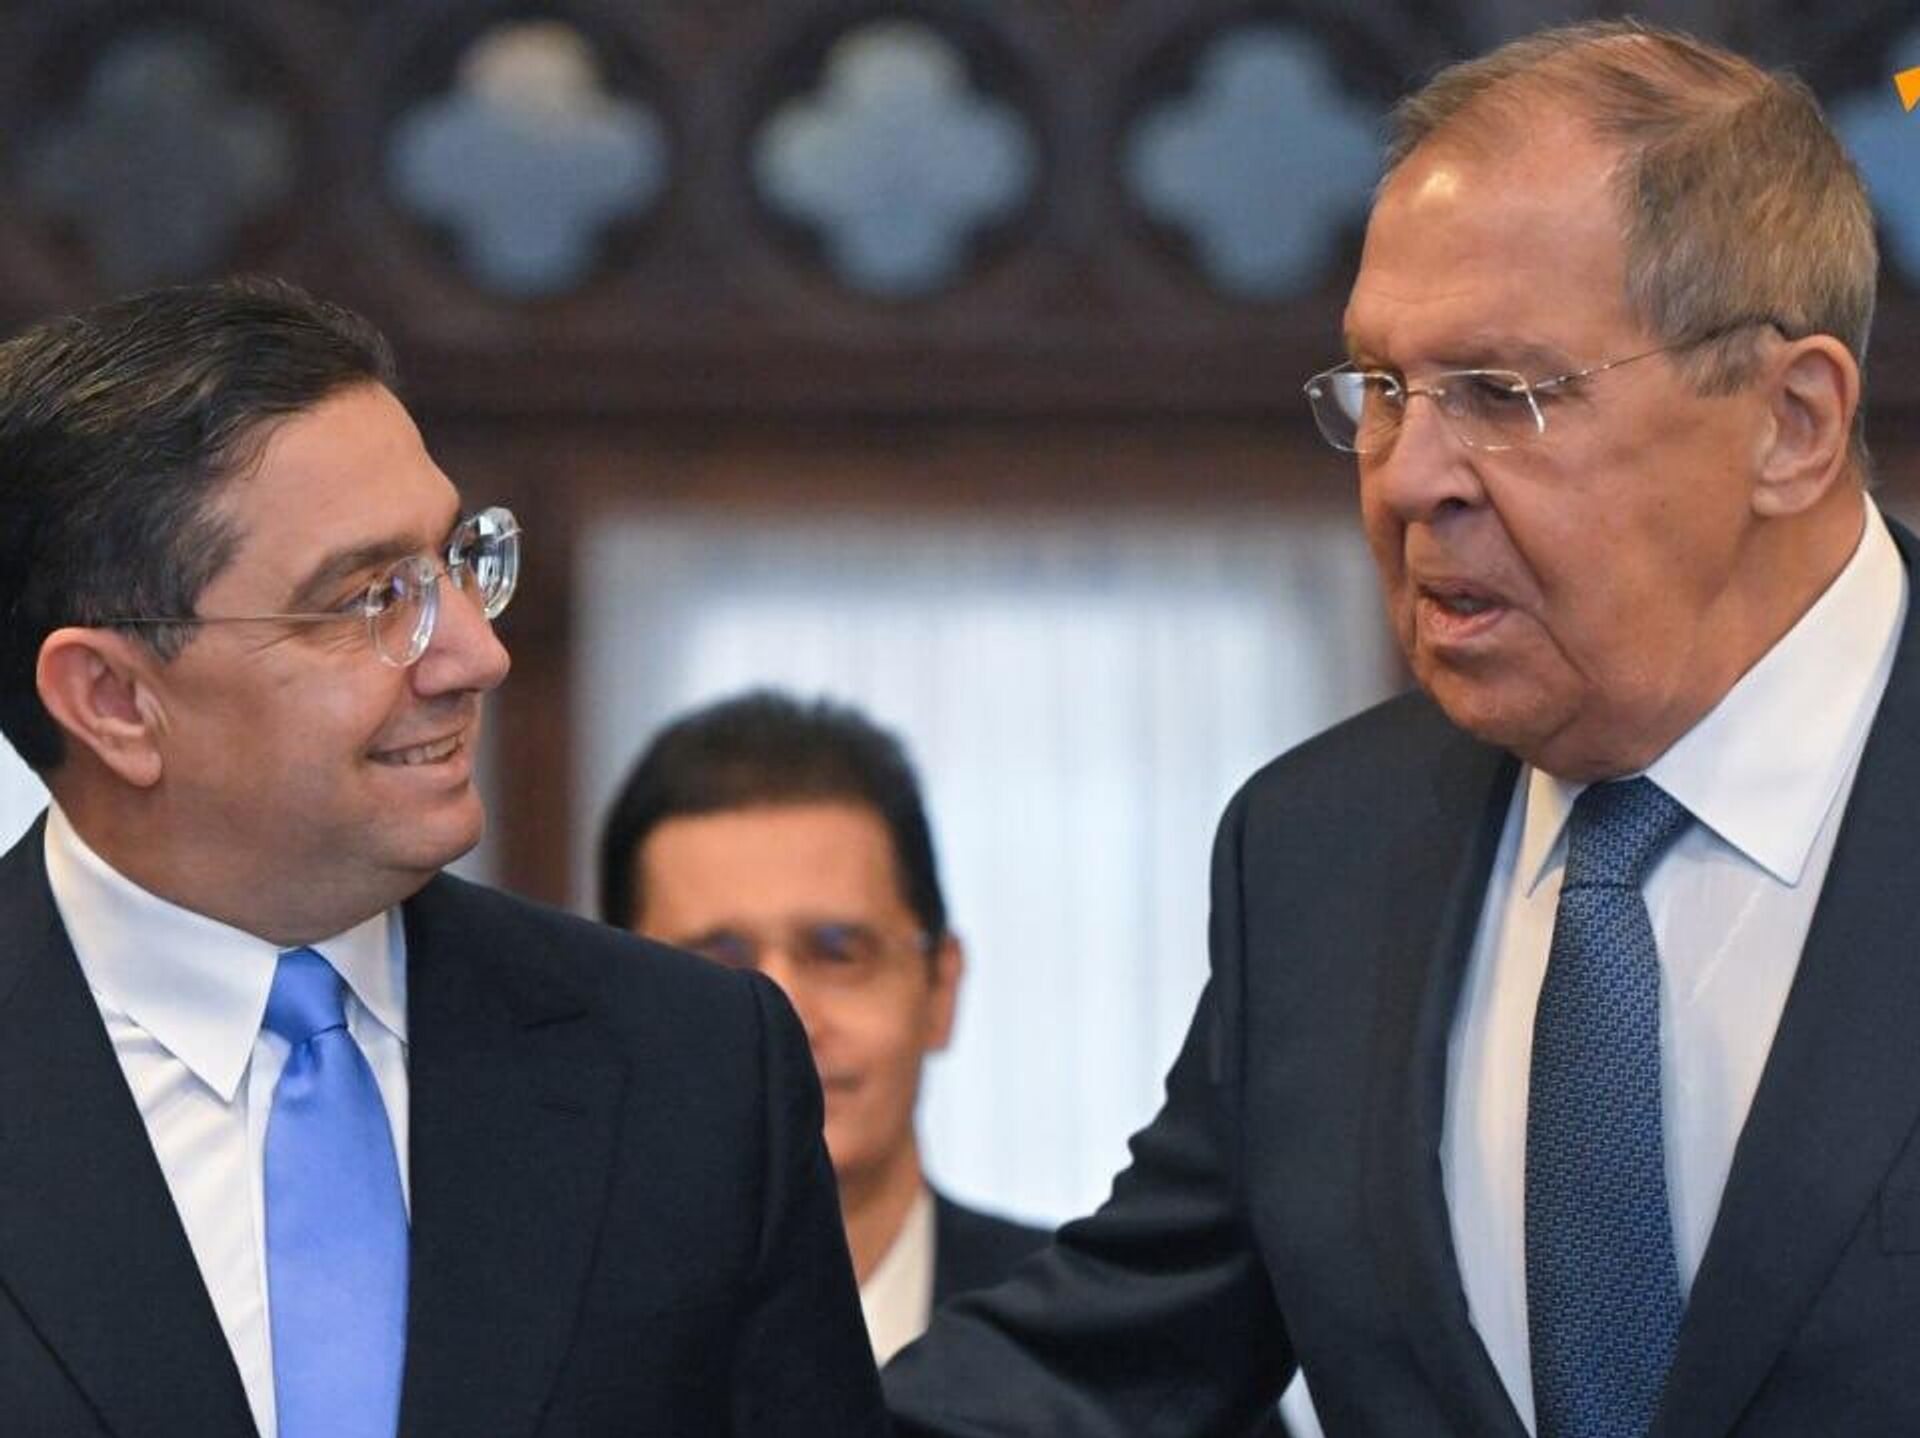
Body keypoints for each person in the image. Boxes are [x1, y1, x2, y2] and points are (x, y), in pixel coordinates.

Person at [885, 19, 1911, 1436]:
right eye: (1382, 391)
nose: (1409, 476)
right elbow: (1108, 1365)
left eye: (1503, 394)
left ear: (1791, 422)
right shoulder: (1322, 850)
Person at [0, 278, 884, 1437]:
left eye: (456, 562)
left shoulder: (694, 1067)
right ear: (113, 699)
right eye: (372, 599)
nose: (475, 653)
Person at [597, 689, 1050, 1363]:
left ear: (940, 987)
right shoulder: (531, 1348)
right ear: (616, 1006)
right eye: (718, 966)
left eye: (839, 953)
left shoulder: (1095, 1345)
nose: (788, 1025)